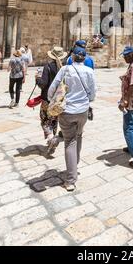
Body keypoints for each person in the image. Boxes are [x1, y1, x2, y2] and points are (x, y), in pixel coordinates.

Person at [48, 46, 96, 192]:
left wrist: (52, 100)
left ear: (73, 57)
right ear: (85, 58)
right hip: (83, 111)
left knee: (70, 141)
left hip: (67, 111)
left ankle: (70, 180)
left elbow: (52, 89)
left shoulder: (65, 69)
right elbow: (93, 94)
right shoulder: (89, 71)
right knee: (79, 136)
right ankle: (74, 164)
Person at [36, 46, 67, 155]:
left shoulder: (48, 67)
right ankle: (52, 140)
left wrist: (37, 78)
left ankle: (50, 138)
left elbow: (43, 84)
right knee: (54, 119)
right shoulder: (65, 68)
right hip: (59, 99)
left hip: (47, 99)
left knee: (45, 120)